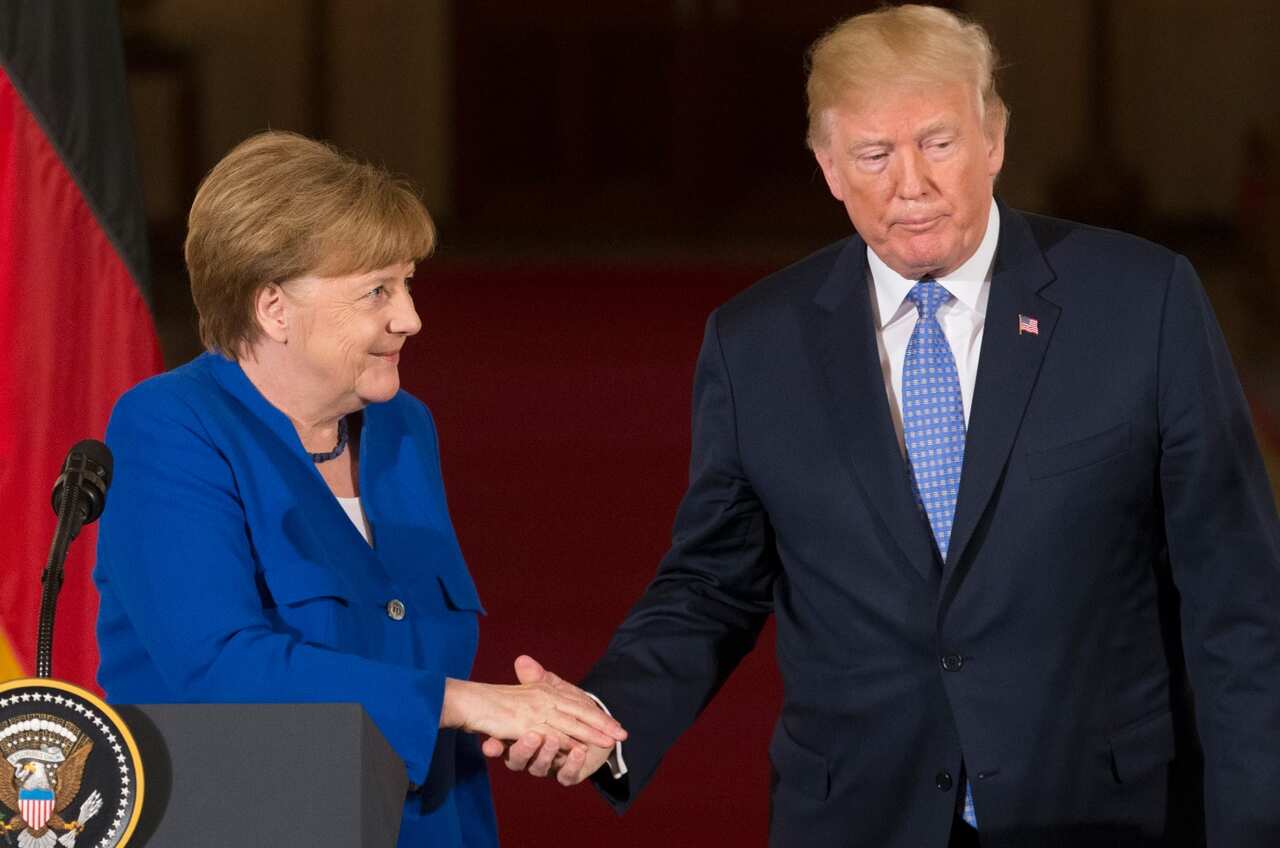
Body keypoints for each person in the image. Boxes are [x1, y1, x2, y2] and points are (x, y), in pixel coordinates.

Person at [490, 5, 1280, 846]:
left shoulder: (1139, 302)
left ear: (995, 140)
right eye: (874, 154)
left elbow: (1236, 595)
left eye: (938, 143)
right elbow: (712, 584)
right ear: (830, 167)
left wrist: (1254, 822)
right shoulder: (756, 343)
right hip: (860, 814)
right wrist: (608, 711)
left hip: (1096, 810)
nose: (911, 184)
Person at [93, 131, 626, 847]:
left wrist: (539, 719)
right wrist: (465, 703)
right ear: (273, 308)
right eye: (377, 290)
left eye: (408, 284)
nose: (410, 318)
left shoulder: (404, 428)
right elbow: (218, 666)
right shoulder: (169, 428)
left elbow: (415, 665)